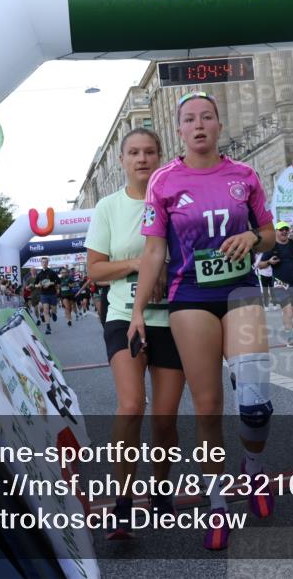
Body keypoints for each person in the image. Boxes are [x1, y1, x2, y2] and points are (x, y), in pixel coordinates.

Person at [128, 92, 276, 551]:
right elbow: (154, 249)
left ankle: (253, 470)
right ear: (179, 130)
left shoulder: (244, 175)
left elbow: (270, 234)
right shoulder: (164, 181)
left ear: (218, 125)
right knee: (208, 406)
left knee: (255, 403)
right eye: (189, 119)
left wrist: (253, 238)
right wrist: (137, 311)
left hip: (240, 290)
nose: (198, 125)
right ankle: (217, 503)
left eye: (206, 117)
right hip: (190, 296)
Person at [86, 128, 187, 540]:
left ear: (160, 156)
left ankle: (161, 491)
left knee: (165, 418)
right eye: (133, 153)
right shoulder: (109, 207)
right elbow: (95, 270)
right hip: (124, 317)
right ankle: (123, 503)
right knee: (130, 406)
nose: (141, 159)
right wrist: (137, 264)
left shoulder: (177, 200)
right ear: (122, 160)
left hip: (172, 319)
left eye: (149, 152)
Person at [265, 221, 293, 347]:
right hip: (279, 283)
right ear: (276, 232)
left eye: (286, 229)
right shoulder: (272, 247)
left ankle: (286, 313)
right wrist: (269, 262)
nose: (284, 232)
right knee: (288, 311)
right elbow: (260, 264)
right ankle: (290, 339)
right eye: (281, 230)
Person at [35, 258, 60, 334]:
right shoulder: (39, 274)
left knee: (53, 309)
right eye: (43, 262)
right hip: (44, 294)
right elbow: (35, 284)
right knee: (45, 310)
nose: (44, 263)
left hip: (52, 293)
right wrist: (39, 285)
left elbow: (58, 281)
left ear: (48, 263)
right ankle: (48, 327)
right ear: (41, 263)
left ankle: (53, 313)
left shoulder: (52, 272)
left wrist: (50, 283)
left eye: (46, 262)